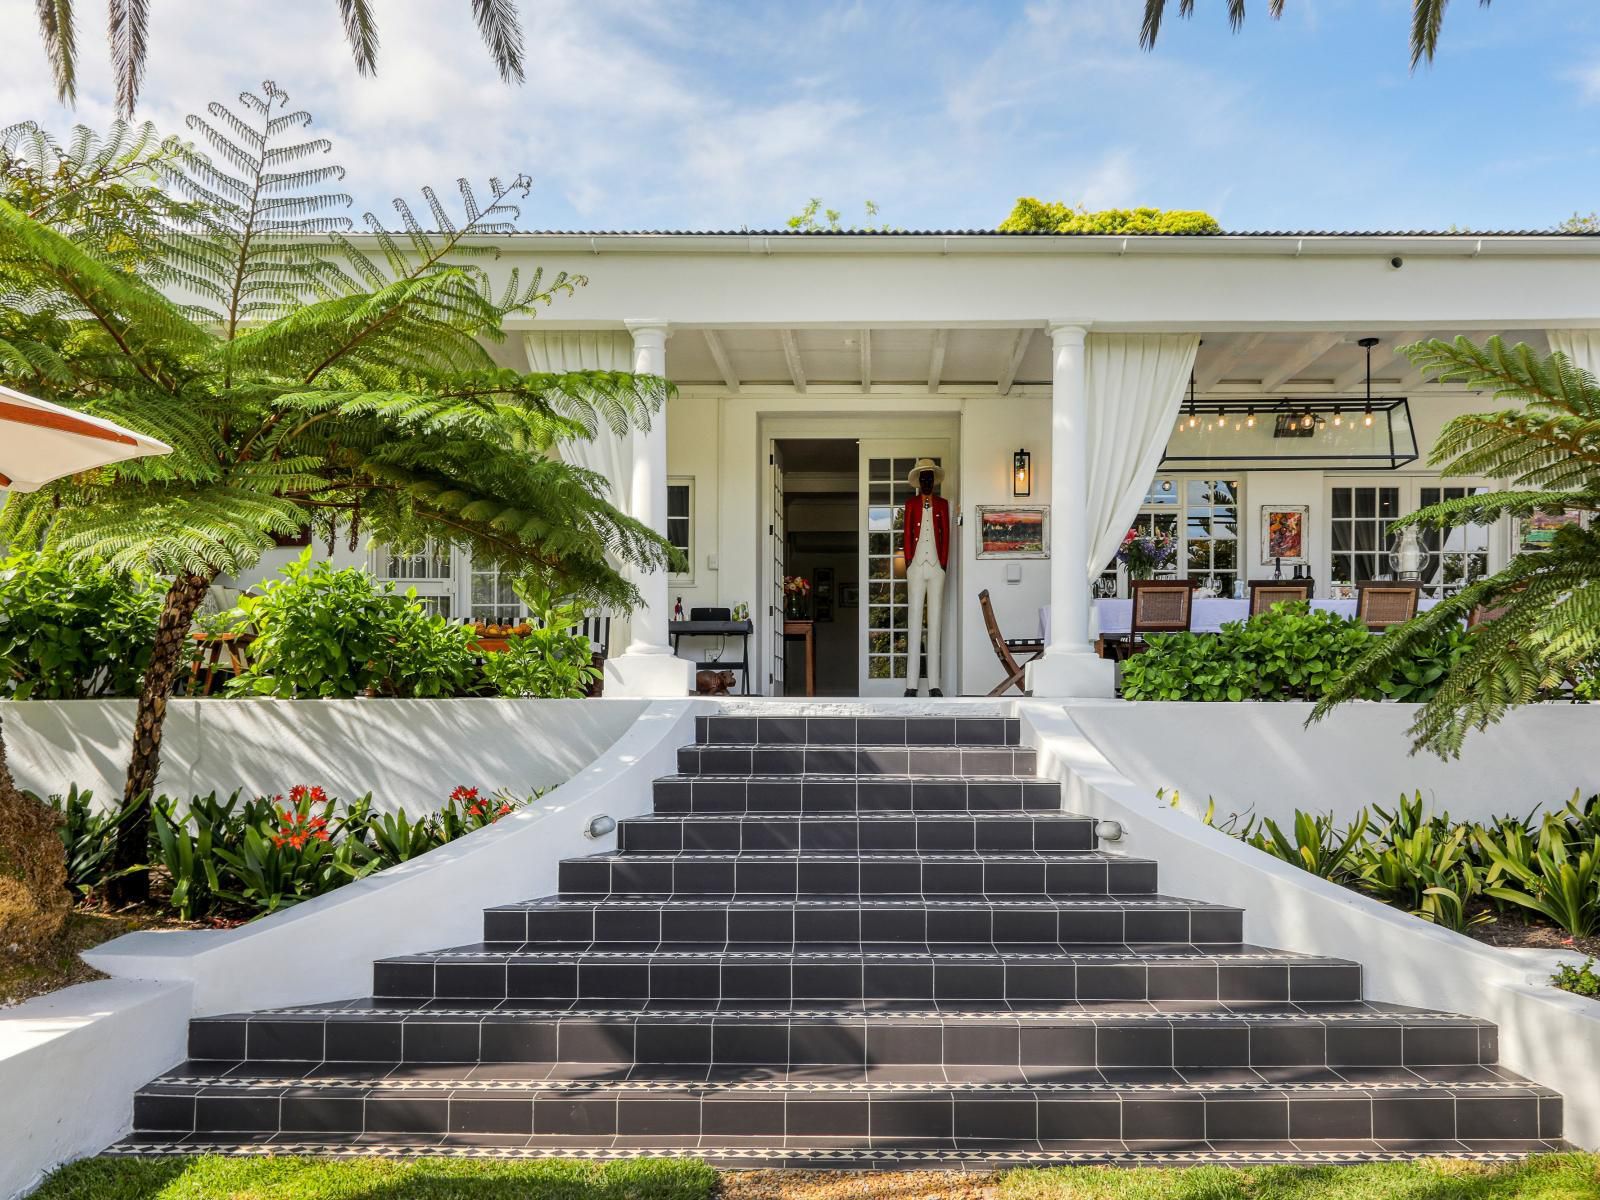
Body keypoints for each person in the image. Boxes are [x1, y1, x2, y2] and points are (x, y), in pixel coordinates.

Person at [901, 458, 950, 697]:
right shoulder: (911, 504)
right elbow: (907, 533)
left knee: (935, 624)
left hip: (936, 568)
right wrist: (909, 561)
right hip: (917, 566)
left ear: (934, 480)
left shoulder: (942, 504)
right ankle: (911, 684)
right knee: (914, 623)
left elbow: (946, 535)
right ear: (919, 481)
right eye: (924, 477)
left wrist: (943, 563)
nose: (928, 481)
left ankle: (934, 684)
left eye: (931, 477)